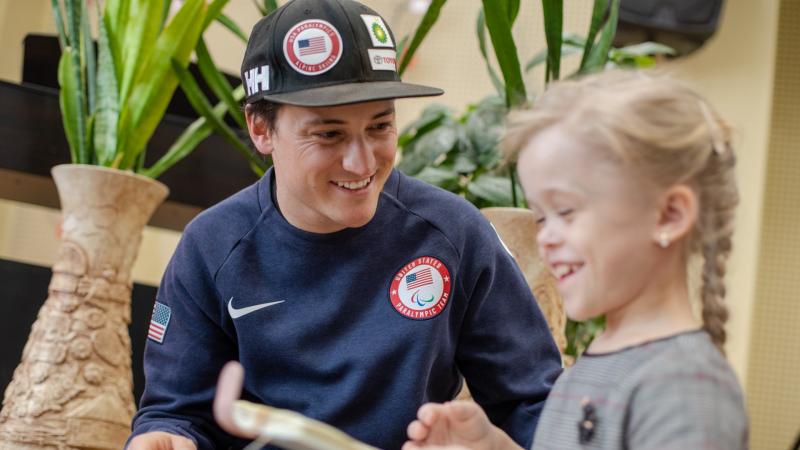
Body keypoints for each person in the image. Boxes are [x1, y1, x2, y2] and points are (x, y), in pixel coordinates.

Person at [126, 0, 562, 449]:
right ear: (260, 128)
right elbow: (176, 411)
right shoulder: (211, 246)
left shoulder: (454, 233)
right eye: (329, 134)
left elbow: (532, 404)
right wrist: (164, 437)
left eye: (379, 127)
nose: (362, 163)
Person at [403, 70, 750, 450]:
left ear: (669, 214)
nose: (545, 238)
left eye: (566, 211)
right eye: (540, 217)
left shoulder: (685, 392)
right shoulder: (594, 367)